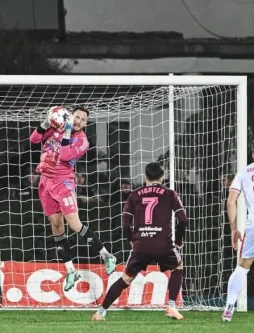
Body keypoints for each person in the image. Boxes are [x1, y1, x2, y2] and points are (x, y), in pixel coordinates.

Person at [29, 106, 116, 291]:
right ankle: (70, 270)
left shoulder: (83, 141)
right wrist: (47, 122)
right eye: (77, 117)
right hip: (45, 183)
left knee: (75, 225)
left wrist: (67, 130)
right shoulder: (55, 128)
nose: (79, 121)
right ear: (71, 116)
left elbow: (65, 155)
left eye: (83, 120)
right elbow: (34, 139)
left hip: (63, 183)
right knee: (57, 228)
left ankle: (107, 255)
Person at [92, 162, 187, 321]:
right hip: (163, 244)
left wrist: (131, 240)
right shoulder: (170, 193)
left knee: (125, 279)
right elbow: (183, 219)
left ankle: (101, 312)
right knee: (178, 267)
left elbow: (125, 223)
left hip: (141, 244)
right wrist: (178, 240)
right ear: (162, 177)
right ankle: (171, 305)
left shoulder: (135, 194)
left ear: (145, 177)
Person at [222, 152, 254, 321]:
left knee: (242, 267)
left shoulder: (244, 172)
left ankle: (228, 309)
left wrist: (234, 228)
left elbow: (230, 201)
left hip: (253, 225)